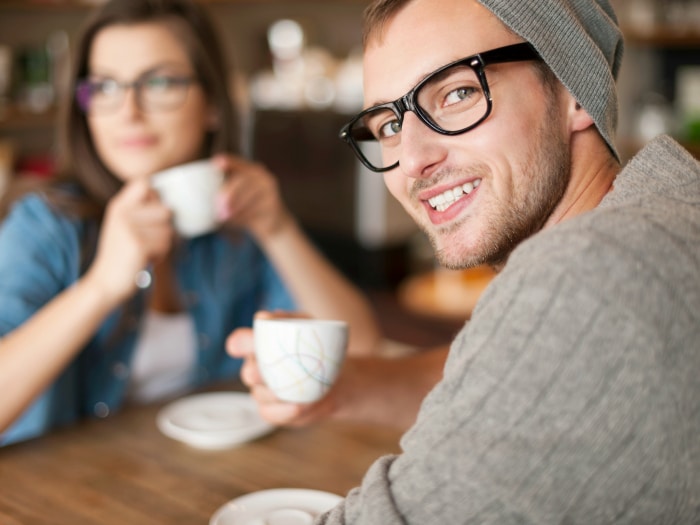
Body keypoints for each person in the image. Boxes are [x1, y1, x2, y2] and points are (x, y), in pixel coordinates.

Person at [227, 0, 700, 522]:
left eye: (456, 93)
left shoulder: (585, 274)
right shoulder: (663, 214)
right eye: (387, 126)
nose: (411, 160)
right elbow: (512, 376)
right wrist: (353, 385)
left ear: (571, 90)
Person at [0, 0, 381, 447]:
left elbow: (359, 349)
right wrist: (102, 284)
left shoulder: (232, 224)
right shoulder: (46, 225)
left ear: (213, 105)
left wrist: (277, 229)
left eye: (158, 81)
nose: (128, 110)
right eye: (105, 86)